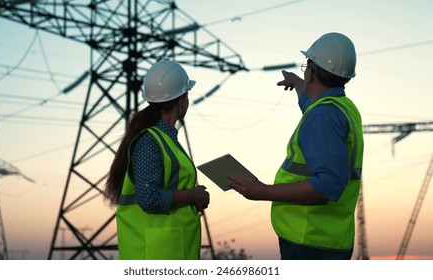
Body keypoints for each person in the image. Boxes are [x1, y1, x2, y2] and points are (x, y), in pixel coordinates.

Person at [227, 32, 364, 260]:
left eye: (306, 67)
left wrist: (263, 191)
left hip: (308, 240)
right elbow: (313, 107)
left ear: (311, 73)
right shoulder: (342, 107)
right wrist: (298, 83)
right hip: (329, 237)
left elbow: (327, 186)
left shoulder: (322, 116)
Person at [104, 60, 210, 260]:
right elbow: (149, 198)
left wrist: (191, 196)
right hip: (155, 255)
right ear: (181, 102)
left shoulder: (163, 140)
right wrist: (192, 196)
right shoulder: (149, 142)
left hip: (169, 251)